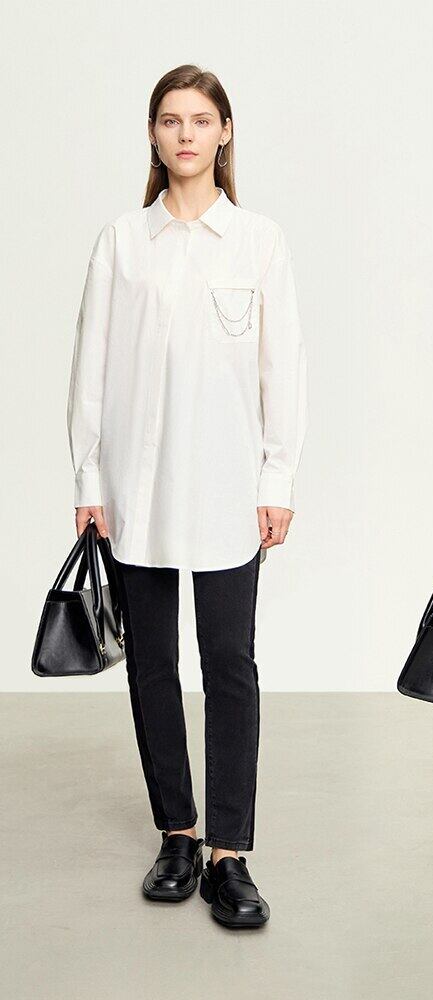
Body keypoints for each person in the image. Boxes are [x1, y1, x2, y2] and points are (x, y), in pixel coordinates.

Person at [66, 64, 308, 929]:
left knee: (230, 664)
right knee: (152, 664)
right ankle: (178, 831)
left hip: (228, 489)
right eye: (170, 120)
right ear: (153, 134)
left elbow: (283, 370)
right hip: (137, 491)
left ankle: (230, 853)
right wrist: (90, 478)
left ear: (225, 132)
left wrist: (277, 478)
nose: (185, 135)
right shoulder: (123, 242)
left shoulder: (258, 241)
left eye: (201, 120)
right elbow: (90, 366)